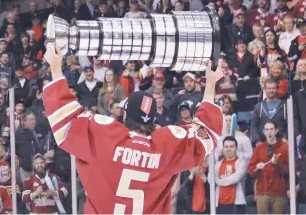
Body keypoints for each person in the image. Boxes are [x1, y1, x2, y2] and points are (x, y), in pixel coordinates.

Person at [42, 47, 224, 213]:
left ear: (124, 115)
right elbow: (206, 132)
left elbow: (64, 118)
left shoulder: (106, 136)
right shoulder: (166, 146)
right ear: (153, 120)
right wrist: (210, 85)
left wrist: (56, 69)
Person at [248, 121, 289, 214]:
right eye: (267, 129)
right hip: (263, 192)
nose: (269, 132)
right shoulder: (259, 148)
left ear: (276, 131)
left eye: (271, 129)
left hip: (279, 192)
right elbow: (251, 170)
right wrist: (257, 167)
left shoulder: (285, 147)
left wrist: (277, 164)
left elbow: (290, 170)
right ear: (264, 132)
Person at [214, 136, 247, 214]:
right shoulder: (218, 163)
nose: (228, 149)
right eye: (226, 146)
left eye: (232, 146)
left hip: (236, 204)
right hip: (219, 202)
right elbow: (212, 179)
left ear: (236, 148)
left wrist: (219, 180)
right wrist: (227, 178)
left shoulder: (242, 162)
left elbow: (236, 178)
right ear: (223, 148)